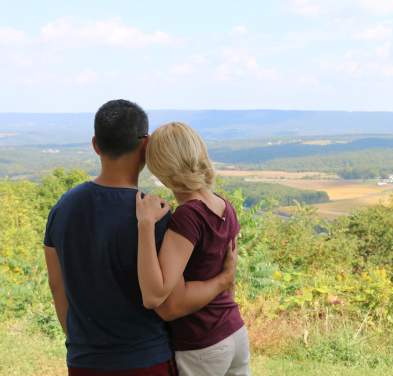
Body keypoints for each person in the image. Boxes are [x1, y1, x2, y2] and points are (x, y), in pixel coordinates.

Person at [44, 100, 236, 375]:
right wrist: (222, 281)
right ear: (145, 147)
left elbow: (56, 284)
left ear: (96, 145)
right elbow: (172, 302)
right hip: (147, 360)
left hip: (84, 361)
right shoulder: (157, 216)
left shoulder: (62, 208)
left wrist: (80, 344)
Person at [135, 122, 250, 376]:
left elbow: (157, 294)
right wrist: (222, 281)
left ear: (161, 169)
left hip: (203, 343)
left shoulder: (188, 215)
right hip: (234, 331)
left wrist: (145, 224)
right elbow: (227, 277)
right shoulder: (224, 205)